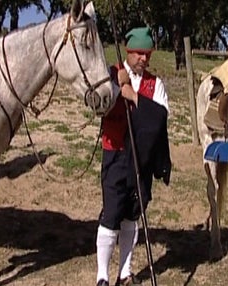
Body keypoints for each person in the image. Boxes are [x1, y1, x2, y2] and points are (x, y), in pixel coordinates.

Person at [96, 27, 171, 286]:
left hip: (141, 159)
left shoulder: (156, 84)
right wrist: (117, 87)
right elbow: (99, 106)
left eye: (147, 54)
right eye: (140, 53)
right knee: (111, 214)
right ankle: (102, 277)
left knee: (132, 214)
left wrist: (135, 98)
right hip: (115, 153)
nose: (144, 59)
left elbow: (159, 118)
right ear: (128, 52)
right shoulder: (109, 75)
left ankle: (125, 272)